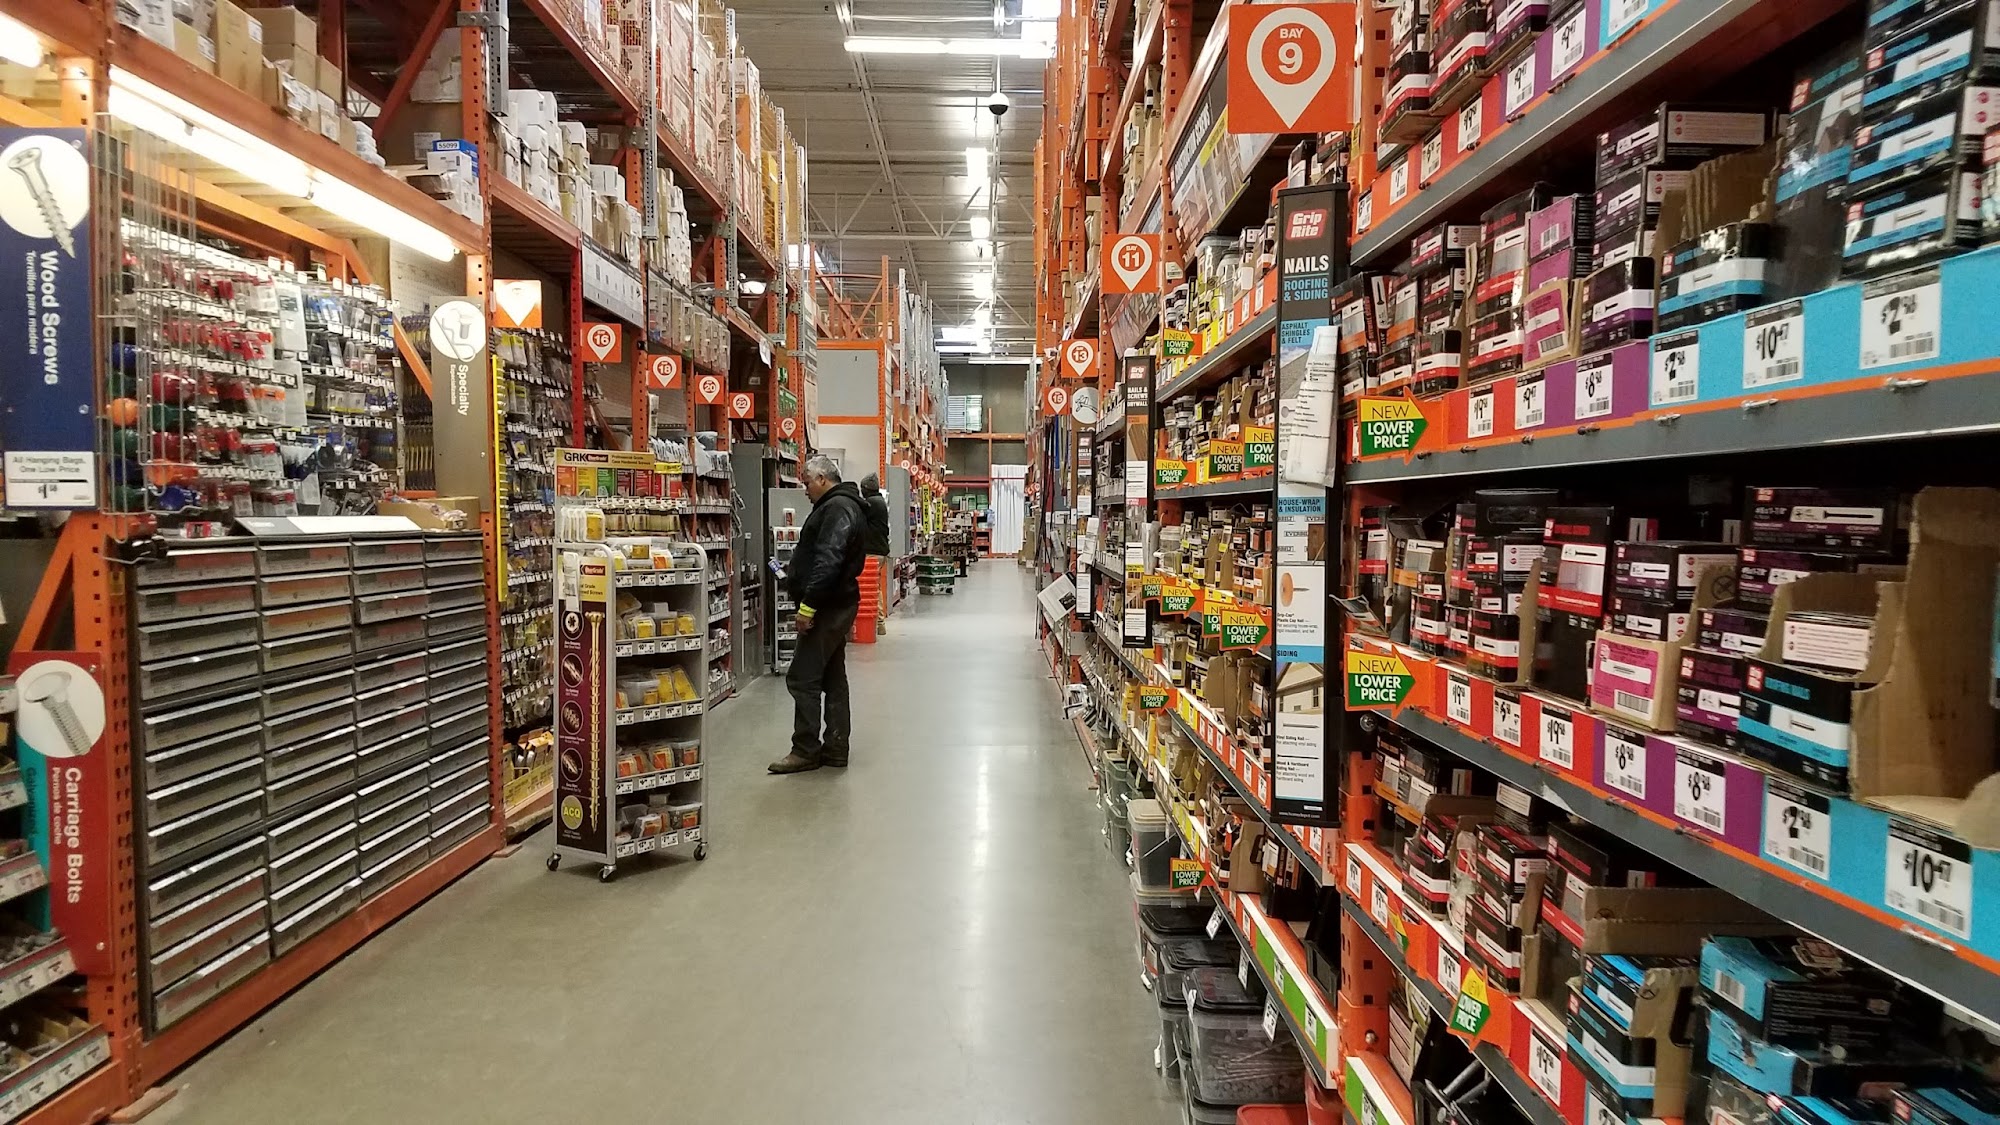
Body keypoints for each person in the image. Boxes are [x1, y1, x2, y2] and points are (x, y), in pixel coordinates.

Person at [769, 455, 868, 774]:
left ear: (823, 479)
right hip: (836, 602)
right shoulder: (840, 505)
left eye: (807, 482)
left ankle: (806, 750)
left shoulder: (837, 508)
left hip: (828, 607)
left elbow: (829, 559)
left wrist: (808, 607)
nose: (805, 490)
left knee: (802, 677)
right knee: (833, 677)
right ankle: (836, 747)